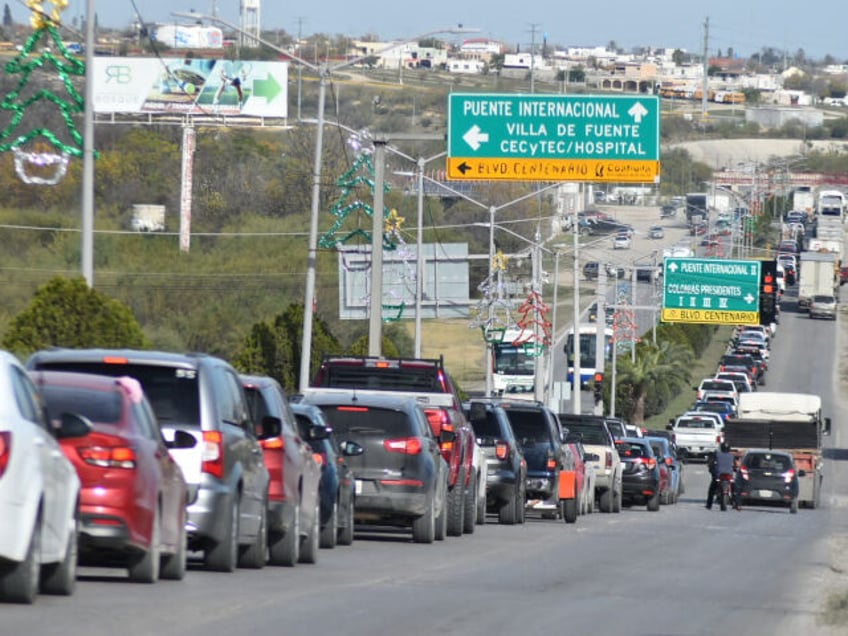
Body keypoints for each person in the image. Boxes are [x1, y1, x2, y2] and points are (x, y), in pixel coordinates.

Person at [705, 442, 736, 510]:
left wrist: (711, 470)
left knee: (712, 490)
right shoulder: (732, 456)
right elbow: (735, 466)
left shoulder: (717, 454)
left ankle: (709, 504)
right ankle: (735, 503)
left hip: (718, 475)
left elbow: (711, 463)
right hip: (728, 476)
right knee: (734, 489)